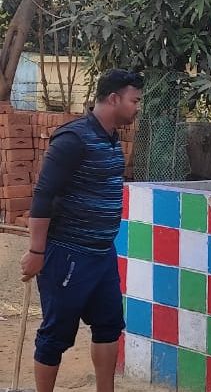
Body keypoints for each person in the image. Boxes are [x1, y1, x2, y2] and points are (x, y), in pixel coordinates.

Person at [20, 69, 143, 392]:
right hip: (68, 253)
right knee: (56, 334)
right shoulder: (72, 139)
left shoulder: (111, 139)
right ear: (113, 99)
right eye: (134, 101)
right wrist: (36, 251)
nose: (137, 108)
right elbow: (43, 196)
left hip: (102, 254)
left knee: (109, 326)